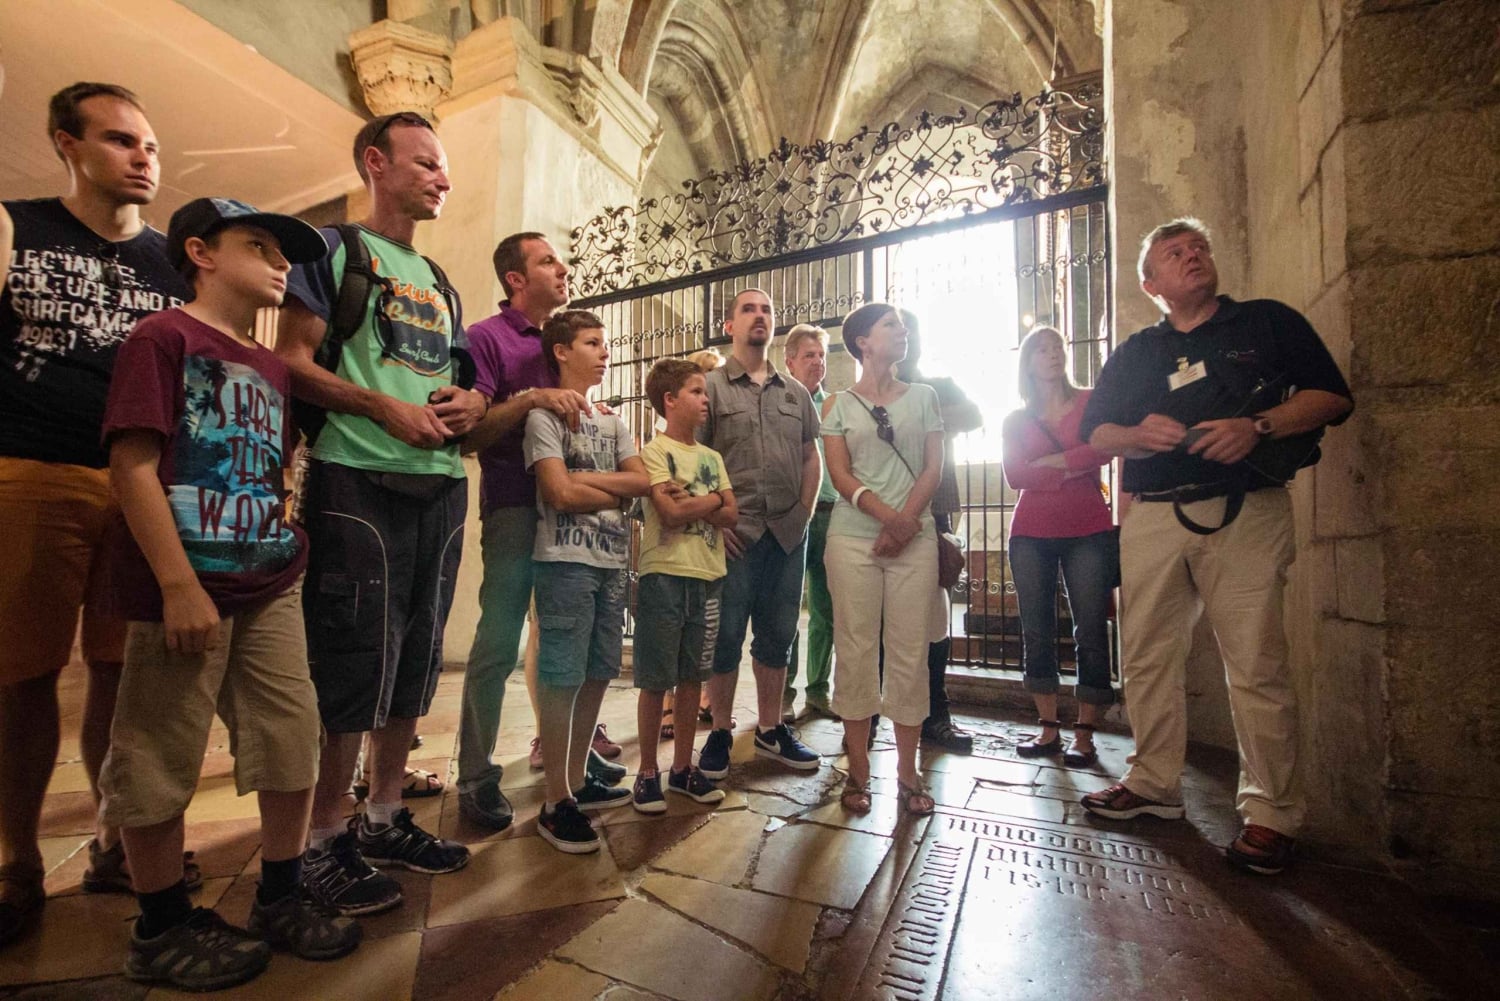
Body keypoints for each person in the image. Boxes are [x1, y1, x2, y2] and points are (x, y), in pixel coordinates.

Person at [100, 198, 360, 990]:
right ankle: (162, 922)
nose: (282, 264)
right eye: (258, 246)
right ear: (200, 252)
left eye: (286, 254)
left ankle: (278, 892)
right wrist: (177, 582)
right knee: (159, 749)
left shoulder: (275, 367)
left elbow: (270, 467)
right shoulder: (163, 337)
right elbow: (134, 465)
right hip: (184, 582)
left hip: (267, 575)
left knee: (291, 732)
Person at [1078, 217, 1353, 876]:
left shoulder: (1265, 322)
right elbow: (1096, 434)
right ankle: (1152, 782)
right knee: (1145, 654)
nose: (1192, 256)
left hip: (1245, 511)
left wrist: (1258, 423)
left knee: (1255, 658)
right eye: (1174, 253)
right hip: (1153, 514)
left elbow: (1333, 397)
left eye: (1198, 246)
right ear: (1152, 284)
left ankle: (1271, 812)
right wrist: (1137, 433)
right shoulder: (1138, 351)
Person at [0, 82, 196, 948]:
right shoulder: (16, 226)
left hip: (138, 487)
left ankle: (117, 843)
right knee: (21, 676)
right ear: (66, 145)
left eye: (149, 144)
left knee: (122, 676)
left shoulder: (172, 263)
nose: (142, 157)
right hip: (32, 469)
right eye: (120, 141)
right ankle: (16, 860)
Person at [276, 112, 483, 914]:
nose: (442, 177)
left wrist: (472, 400)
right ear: (375, 162)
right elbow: (292, 360)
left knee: (417, 652)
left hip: (437, 481)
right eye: (425, 162)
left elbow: (459, 377)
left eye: (444, 165)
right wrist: (379, 408)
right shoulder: (333, 252)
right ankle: (324, 837)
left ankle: (385, 813)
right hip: (356, 475)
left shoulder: (438, 278)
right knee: (354, 652)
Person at [455, 232, 622, 831]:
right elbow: (469, 435)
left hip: (577, 521)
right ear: (515, 279)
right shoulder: (486, 338)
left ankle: (566, 766)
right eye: (548, 260)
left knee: (563, 641)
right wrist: (530, 398)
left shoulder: (565, 335)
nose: (564, 267)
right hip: (517, 506)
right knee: (498, 640)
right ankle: (474, 775)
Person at [524, 310, 648, 852]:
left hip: (611, 561)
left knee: (599, 670)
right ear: (561, 351)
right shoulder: (544, 416)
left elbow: (642, 482)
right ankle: (556, 801)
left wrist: (590, 481)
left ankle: (576, 779)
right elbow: (558, 494)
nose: (604, 352)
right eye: (592, 343)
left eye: (605, 343)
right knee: (561, 673)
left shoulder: (613, 420)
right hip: (564, 561)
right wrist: (612, 490)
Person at [821, 303, 944, 818]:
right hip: (853, 541)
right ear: (863, 342)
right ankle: (858, 769)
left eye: (904, 323)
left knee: (910, 652)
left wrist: (904, 522)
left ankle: (908, 772)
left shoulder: (924, 397)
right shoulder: (837, 405)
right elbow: (841, 475)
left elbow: (935, 466)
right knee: (854, 648)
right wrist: (884, 516)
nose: (904, 330)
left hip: (914, 539)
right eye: (892, 324)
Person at [697, 289, 823, 780]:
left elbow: (810, 454)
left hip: (788, 534)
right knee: (725, 636)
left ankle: (771, 730)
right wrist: (713, 519)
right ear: (729, 325)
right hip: (734, 534)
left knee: (778, 636)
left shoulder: (795, 391)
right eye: (748, 309)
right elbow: (693, 456)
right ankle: (721, 732)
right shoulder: (708, 387)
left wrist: (805, 512)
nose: (759, 316)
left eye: (767, 309)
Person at [1001, 325, 1116, 766]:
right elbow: (1015, 475)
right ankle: (1048, 728)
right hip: (1031, 532)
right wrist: (1072, 464)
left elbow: (1102, 451)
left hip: (1087, 526)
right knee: (1036, 629)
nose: (1053, 354)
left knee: (1089, 626)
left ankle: (1085, 733)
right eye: (1042, 350)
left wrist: (1053, 462)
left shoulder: (1089, 402)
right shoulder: (1015, 419)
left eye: (1057, 348)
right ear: (1028, 362)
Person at [631, 358, 735, 813]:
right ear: (670, 400)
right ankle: (647, 771)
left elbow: (731, 513)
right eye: (696, 391)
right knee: (656, 679)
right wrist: (712, 502)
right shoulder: (653, 453)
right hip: (665, 573)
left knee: (693, 676)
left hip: (707, 575)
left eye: (705, 391)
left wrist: (699, 499)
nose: (705, 399)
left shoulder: (712, 458)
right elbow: (668, 515)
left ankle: (681, 769)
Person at [894, 310, 980, 752]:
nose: (905, 339)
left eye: (910, 331)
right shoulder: (863, 394)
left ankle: (936, 713)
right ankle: (873, 713)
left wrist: (915, 412)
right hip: (881, 516)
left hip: (936, 515)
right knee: (878, 621)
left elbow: (973, 414)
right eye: (893, 330)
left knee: (934, 620)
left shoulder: (936, 386)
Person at [781, 324, 838, 722]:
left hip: (834, 516)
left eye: (821, 356)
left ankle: (818, 692)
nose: (817, 362)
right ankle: (781, 690)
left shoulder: (836, 406)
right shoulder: (780, 404)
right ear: (789, 362)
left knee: (826, 610)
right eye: (809, 355)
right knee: (786, 609)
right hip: (796, 513)